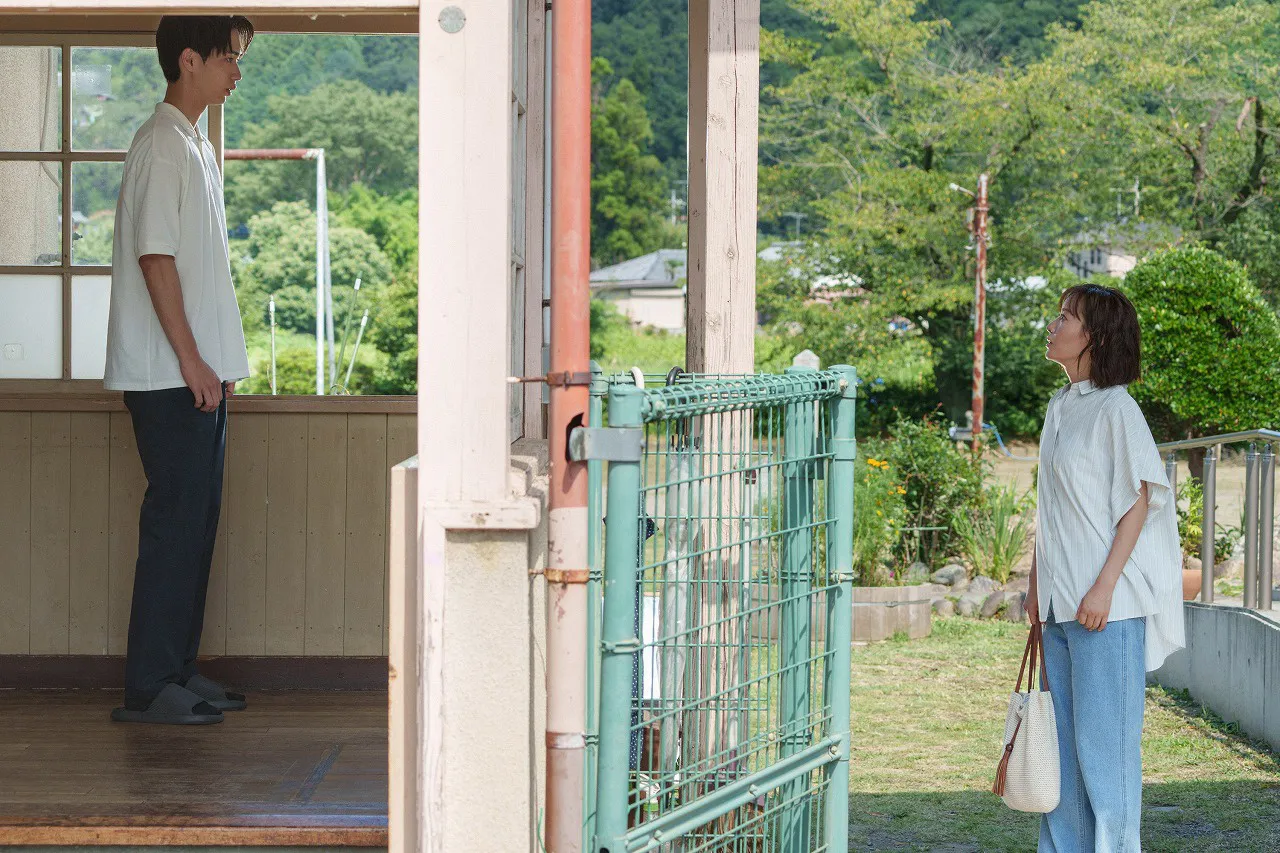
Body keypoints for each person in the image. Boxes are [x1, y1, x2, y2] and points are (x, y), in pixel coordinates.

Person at [105, 15, 255, 725]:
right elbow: (155, 259)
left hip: (196, 374)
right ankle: (148, 685)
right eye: (228, 57)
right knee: (175, 522)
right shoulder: (162, 144)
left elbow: (195, 271)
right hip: (169, 375)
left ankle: (176, 668)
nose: (237, 70)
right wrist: (194, 360)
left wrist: (215, 365)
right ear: (188, 61)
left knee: (196, 523)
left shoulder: (194, 143)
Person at [1029, 283, 1185, 850]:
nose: (1053, 324)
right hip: (1058, 604)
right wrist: (1035, 586)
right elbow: (1053, 508)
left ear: (1091, 336)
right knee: (1061, 758)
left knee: (1107, 759)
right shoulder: (1060, 405)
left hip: (1107, 610)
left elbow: (1138, 502)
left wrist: (1103, 586)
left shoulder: (1117, 408)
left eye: (1065, 317)